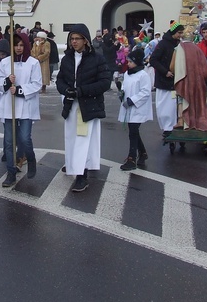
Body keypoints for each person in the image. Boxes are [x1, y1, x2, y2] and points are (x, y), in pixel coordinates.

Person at [56, 24, 110, 192]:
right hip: (71, 105)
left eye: (77, 39)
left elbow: (104, 83)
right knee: (71, 138)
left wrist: (81, 91)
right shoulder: (67, 59)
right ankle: (73, 164)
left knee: (83, 140)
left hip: (88, 105)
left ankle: (81, 175)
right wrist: (66, 90)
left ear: (85, 40)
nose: (73, 42)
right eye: (71, 39)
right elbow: (60, 80)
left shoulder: (97, 59)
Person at [0, 32, 42, 187]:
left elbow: (36, 84)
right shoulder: (5, 63)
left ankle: (30, 157)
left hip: (26, 106)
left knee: (24, 138)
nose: (18, 48)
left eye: (21, 45)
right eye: (16, 45)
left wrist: (21, 90)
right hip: (9, 106)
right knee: (9, 142)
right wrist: (7, 82)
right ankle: (11, 172)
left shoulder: (33, 63)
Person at [117, 48, 152, 171]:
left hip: (138, 108)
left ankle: (132, 158)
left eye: (130, 61)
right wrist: (121, 93)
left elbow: (145, 92)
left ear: (137, 62)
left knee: (133, 131)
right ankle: (142, 153)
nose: (128, 63)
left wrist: (133, 100)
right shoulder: (127, 73)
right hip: (128, 106)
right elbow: (126, 87)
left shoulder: (143, 75)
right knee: (134, 131)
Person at [149, 22, 184, 137]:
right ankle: (167, 128)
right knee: (165, 107)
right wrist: (165, 72)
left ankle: (175, 125)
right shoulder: (163, 44)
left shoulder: (179, 44)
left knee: (174, 106)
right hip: (164, 81)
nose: (181, 35)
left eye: (181, 33)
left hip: (175, 81)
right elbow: (153, 60)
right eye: (179, 32)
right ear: (173, 32)